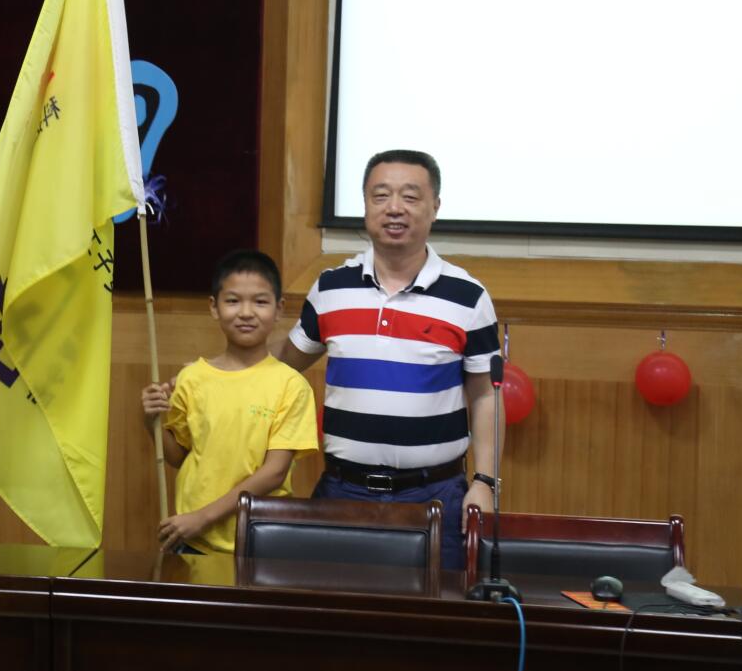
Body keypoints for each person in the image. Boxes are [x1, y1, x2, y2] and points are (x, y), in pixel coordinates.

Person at [277, 149, 500, 570]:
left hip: (436, 496)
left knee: (437, 608)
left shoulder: (468, 297)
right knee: (333, 605)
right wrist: (210, 378)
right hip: (342, 492)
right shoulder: (331, 288)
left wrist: (485, 482)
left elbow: (486, 395)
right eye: (380, 195)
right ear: (365, 205)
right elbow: (281, 367)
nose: (394, 208)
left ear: (435, 207)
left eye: (410, 196)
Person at [141, 249, 319, 554]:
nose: (246, 312)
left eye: (260, 302)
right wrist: (151, 420)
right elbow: (179, 456)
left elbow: (274, 472)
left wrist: (203, 517)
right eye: (233, 301)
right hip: (193, 540)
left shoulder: (291, 385)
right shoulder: (191, 378)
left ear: (278, 309)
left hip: (260, 542)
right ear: (214, 307)